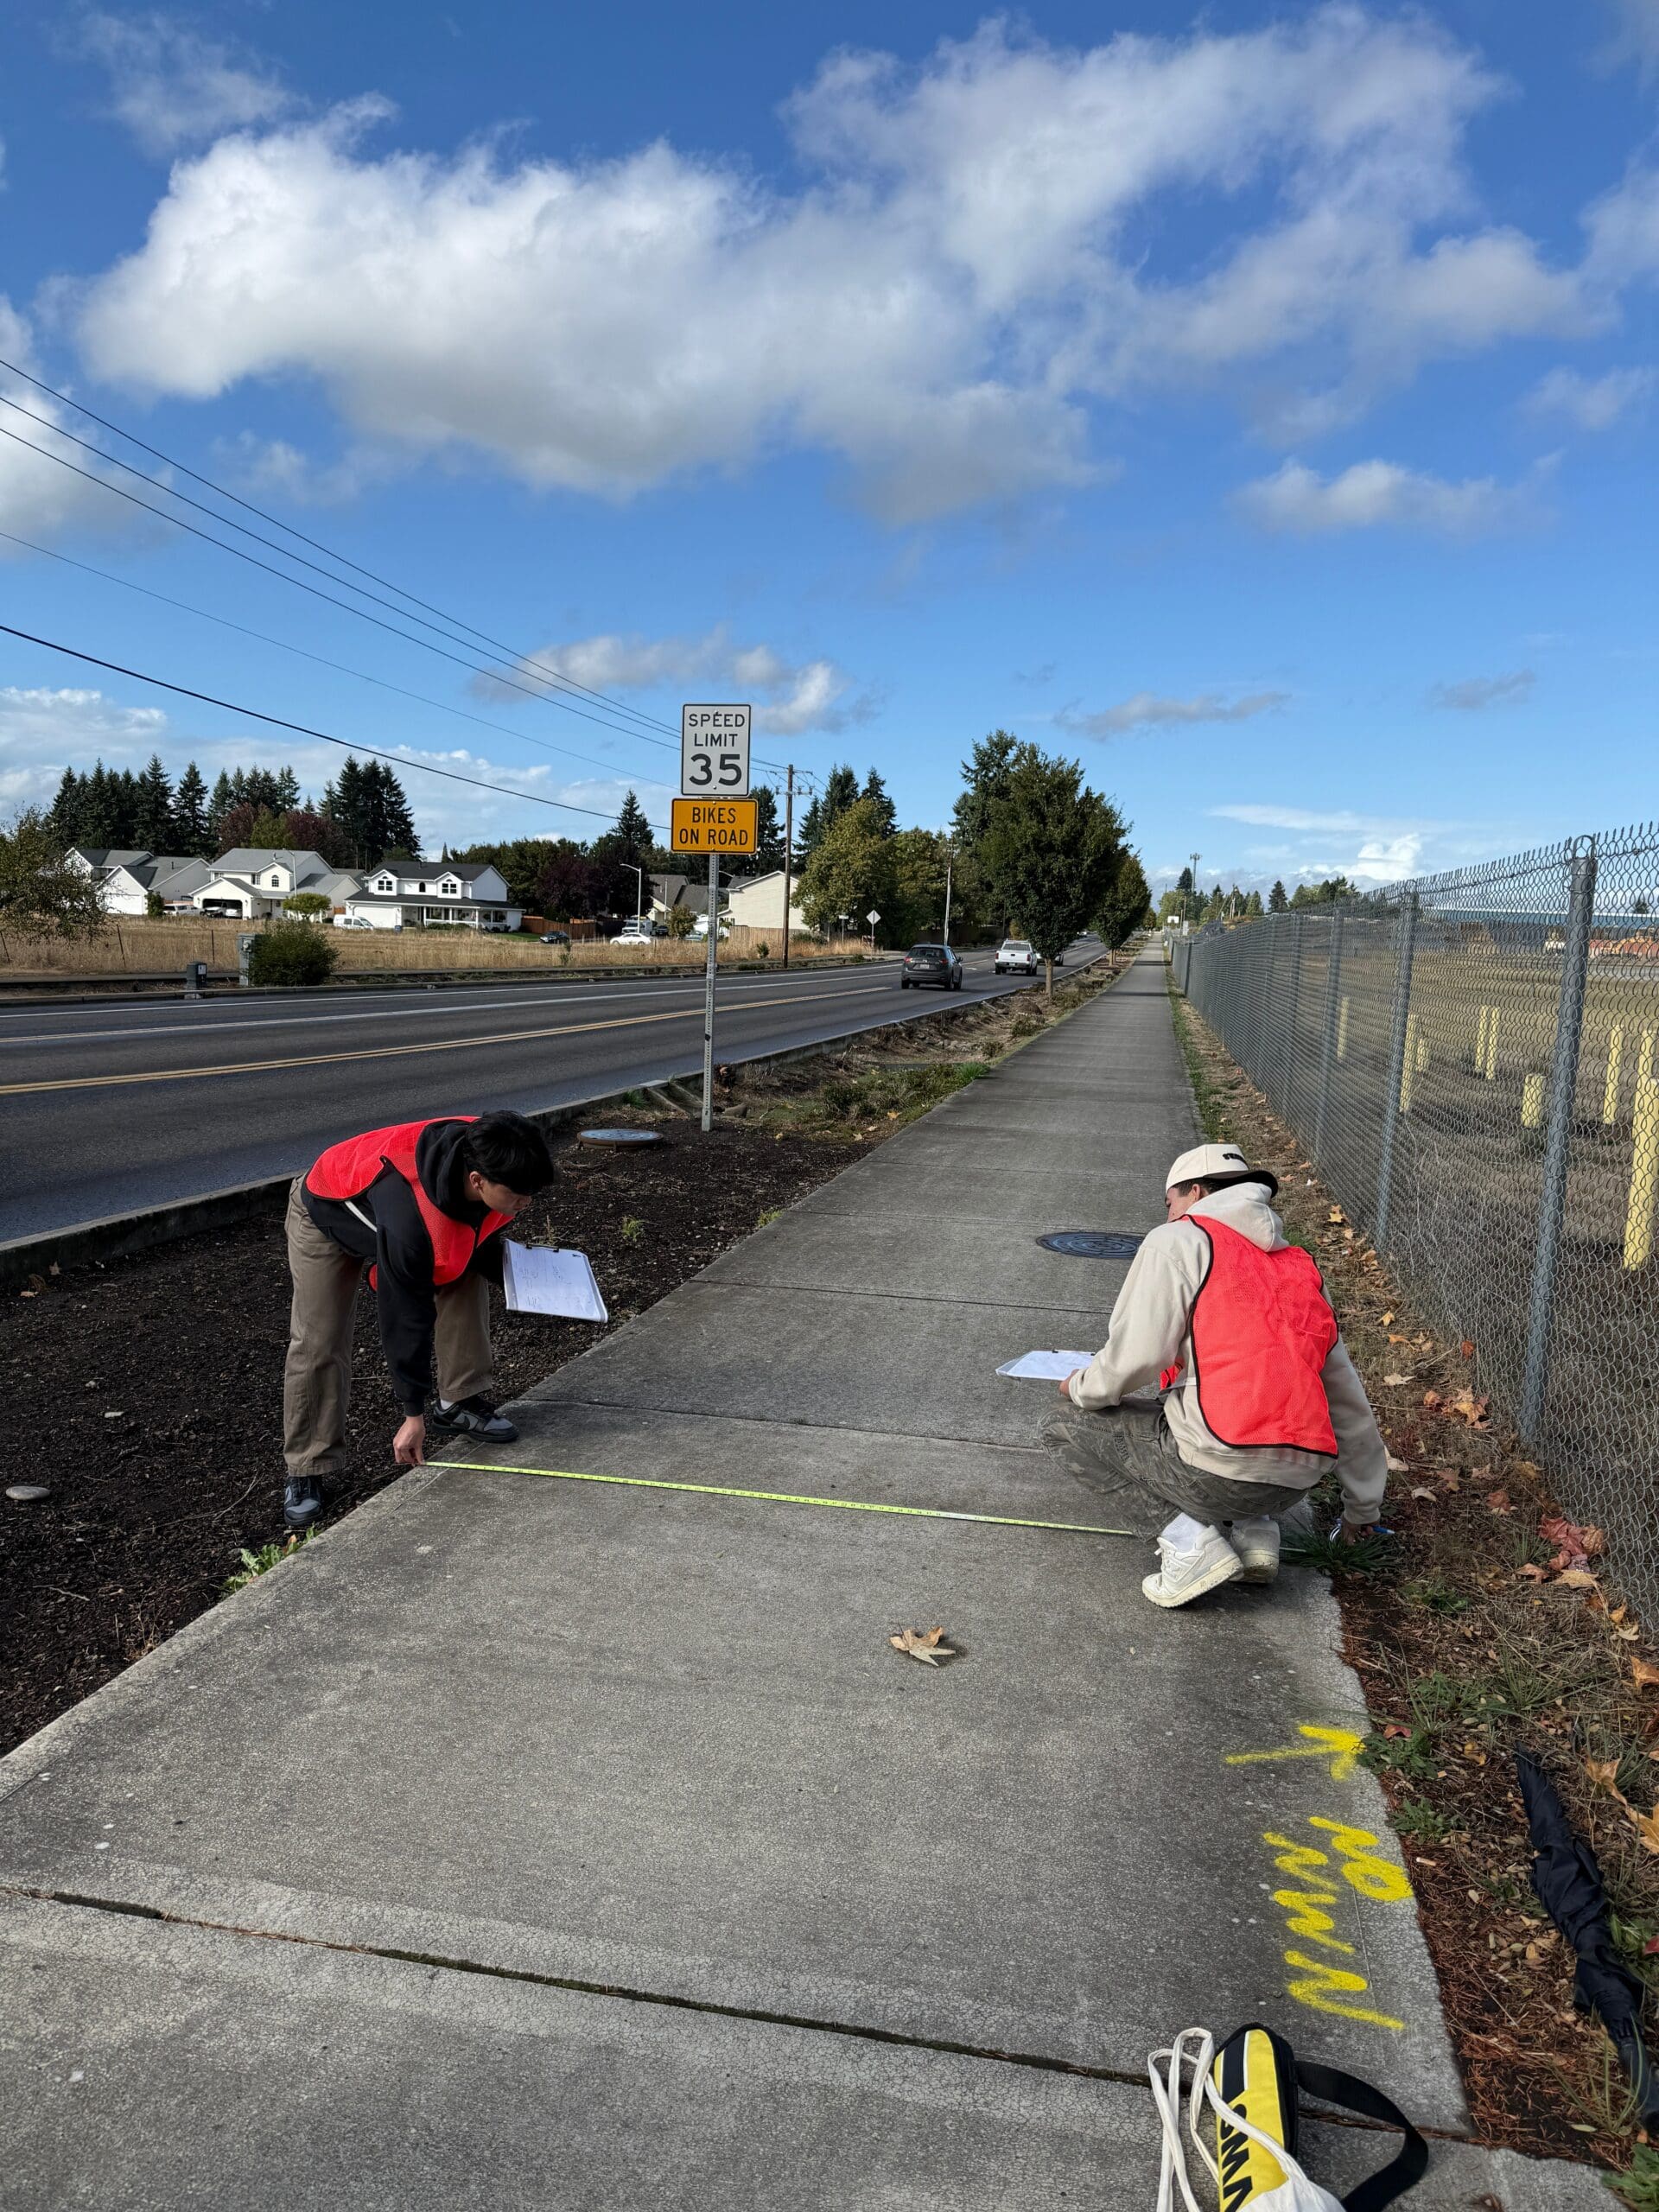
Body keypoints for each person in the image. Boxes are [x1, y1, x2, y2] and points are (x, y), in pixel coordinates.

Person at [1040, 1141, 1389, 1609]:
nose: (1169, 1216)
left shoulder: (1179, 1240)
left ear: (1197, 1191)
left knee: (1064, 1426)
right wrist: (1361, 1509)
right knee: (1249, 1391)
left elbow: (1137, 1356)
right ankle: (1257, 1534)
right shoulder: (1299, 1267)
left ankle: (1189, 1548)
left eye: (1171, 1203)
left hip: (1220, 1474)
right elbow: (1345, 1396)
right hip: (1294, 1482)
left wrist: (1082, 1385)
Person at [281, 1110, 556, 1531]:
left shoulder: (493, 1150)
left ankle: (459, 1400)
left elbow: (478, 1242)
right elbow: (403, 1313)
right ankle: (306, 1467)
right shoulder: (411, 1215)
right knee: (320, 1339)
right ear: (478, 1180)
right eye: (519, 1195)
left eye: (532, 1193)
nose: (527, 1203)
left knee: (461, 1272)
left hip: (392, 1211)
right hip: (327, 1206)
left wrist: (540, 1282)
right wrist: (413, 1414)